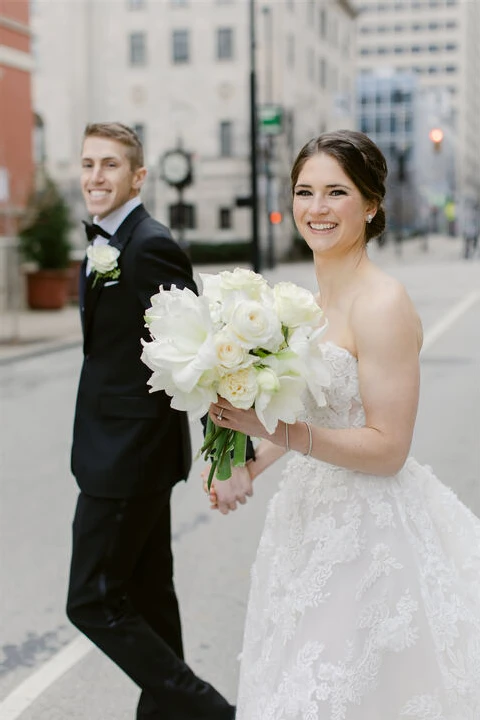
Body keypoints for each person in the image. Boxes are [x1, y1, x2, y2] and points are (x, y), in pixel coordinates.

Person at [206, 130, 480, 718]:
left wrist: (268, 430)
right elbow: (313, 405)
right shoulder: (308, 301)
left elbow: (387, 449)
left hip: (369, 533)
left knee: (334, 693)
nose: (317, 208)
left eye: (337, 192)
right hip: (307, 521)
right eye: (305, 192)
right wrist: (247, 464)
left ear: (372, 204)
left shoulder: (381, 303)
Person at [67, 122, 242, 720]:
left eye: (110, 165)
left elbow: (197, 355)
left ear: (138, 176)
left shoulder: (149, 246)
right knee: (149, 597)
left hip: (127, 456)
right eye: (88, 163)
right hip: (116, 448)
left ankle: (214, 713)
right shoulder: (108, 242)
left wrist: (226, 450)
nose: (95, 176)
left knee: (91, 600)